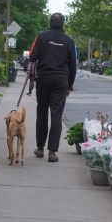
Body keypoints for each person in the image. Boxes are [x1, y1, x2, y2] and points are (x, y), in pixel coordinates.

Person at [28, 12, 77, 163]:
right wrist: (69, 85)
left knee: (42, 113)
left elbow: (32, 56)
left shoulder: (41, 37)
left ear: (50, 22)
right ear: (63, 24)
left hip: (43, 79)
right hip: (61, 80)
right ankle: (52, 152)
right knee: (56, 115)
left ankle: (40, 148)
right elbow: (73, 65)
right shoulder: (69, 41)